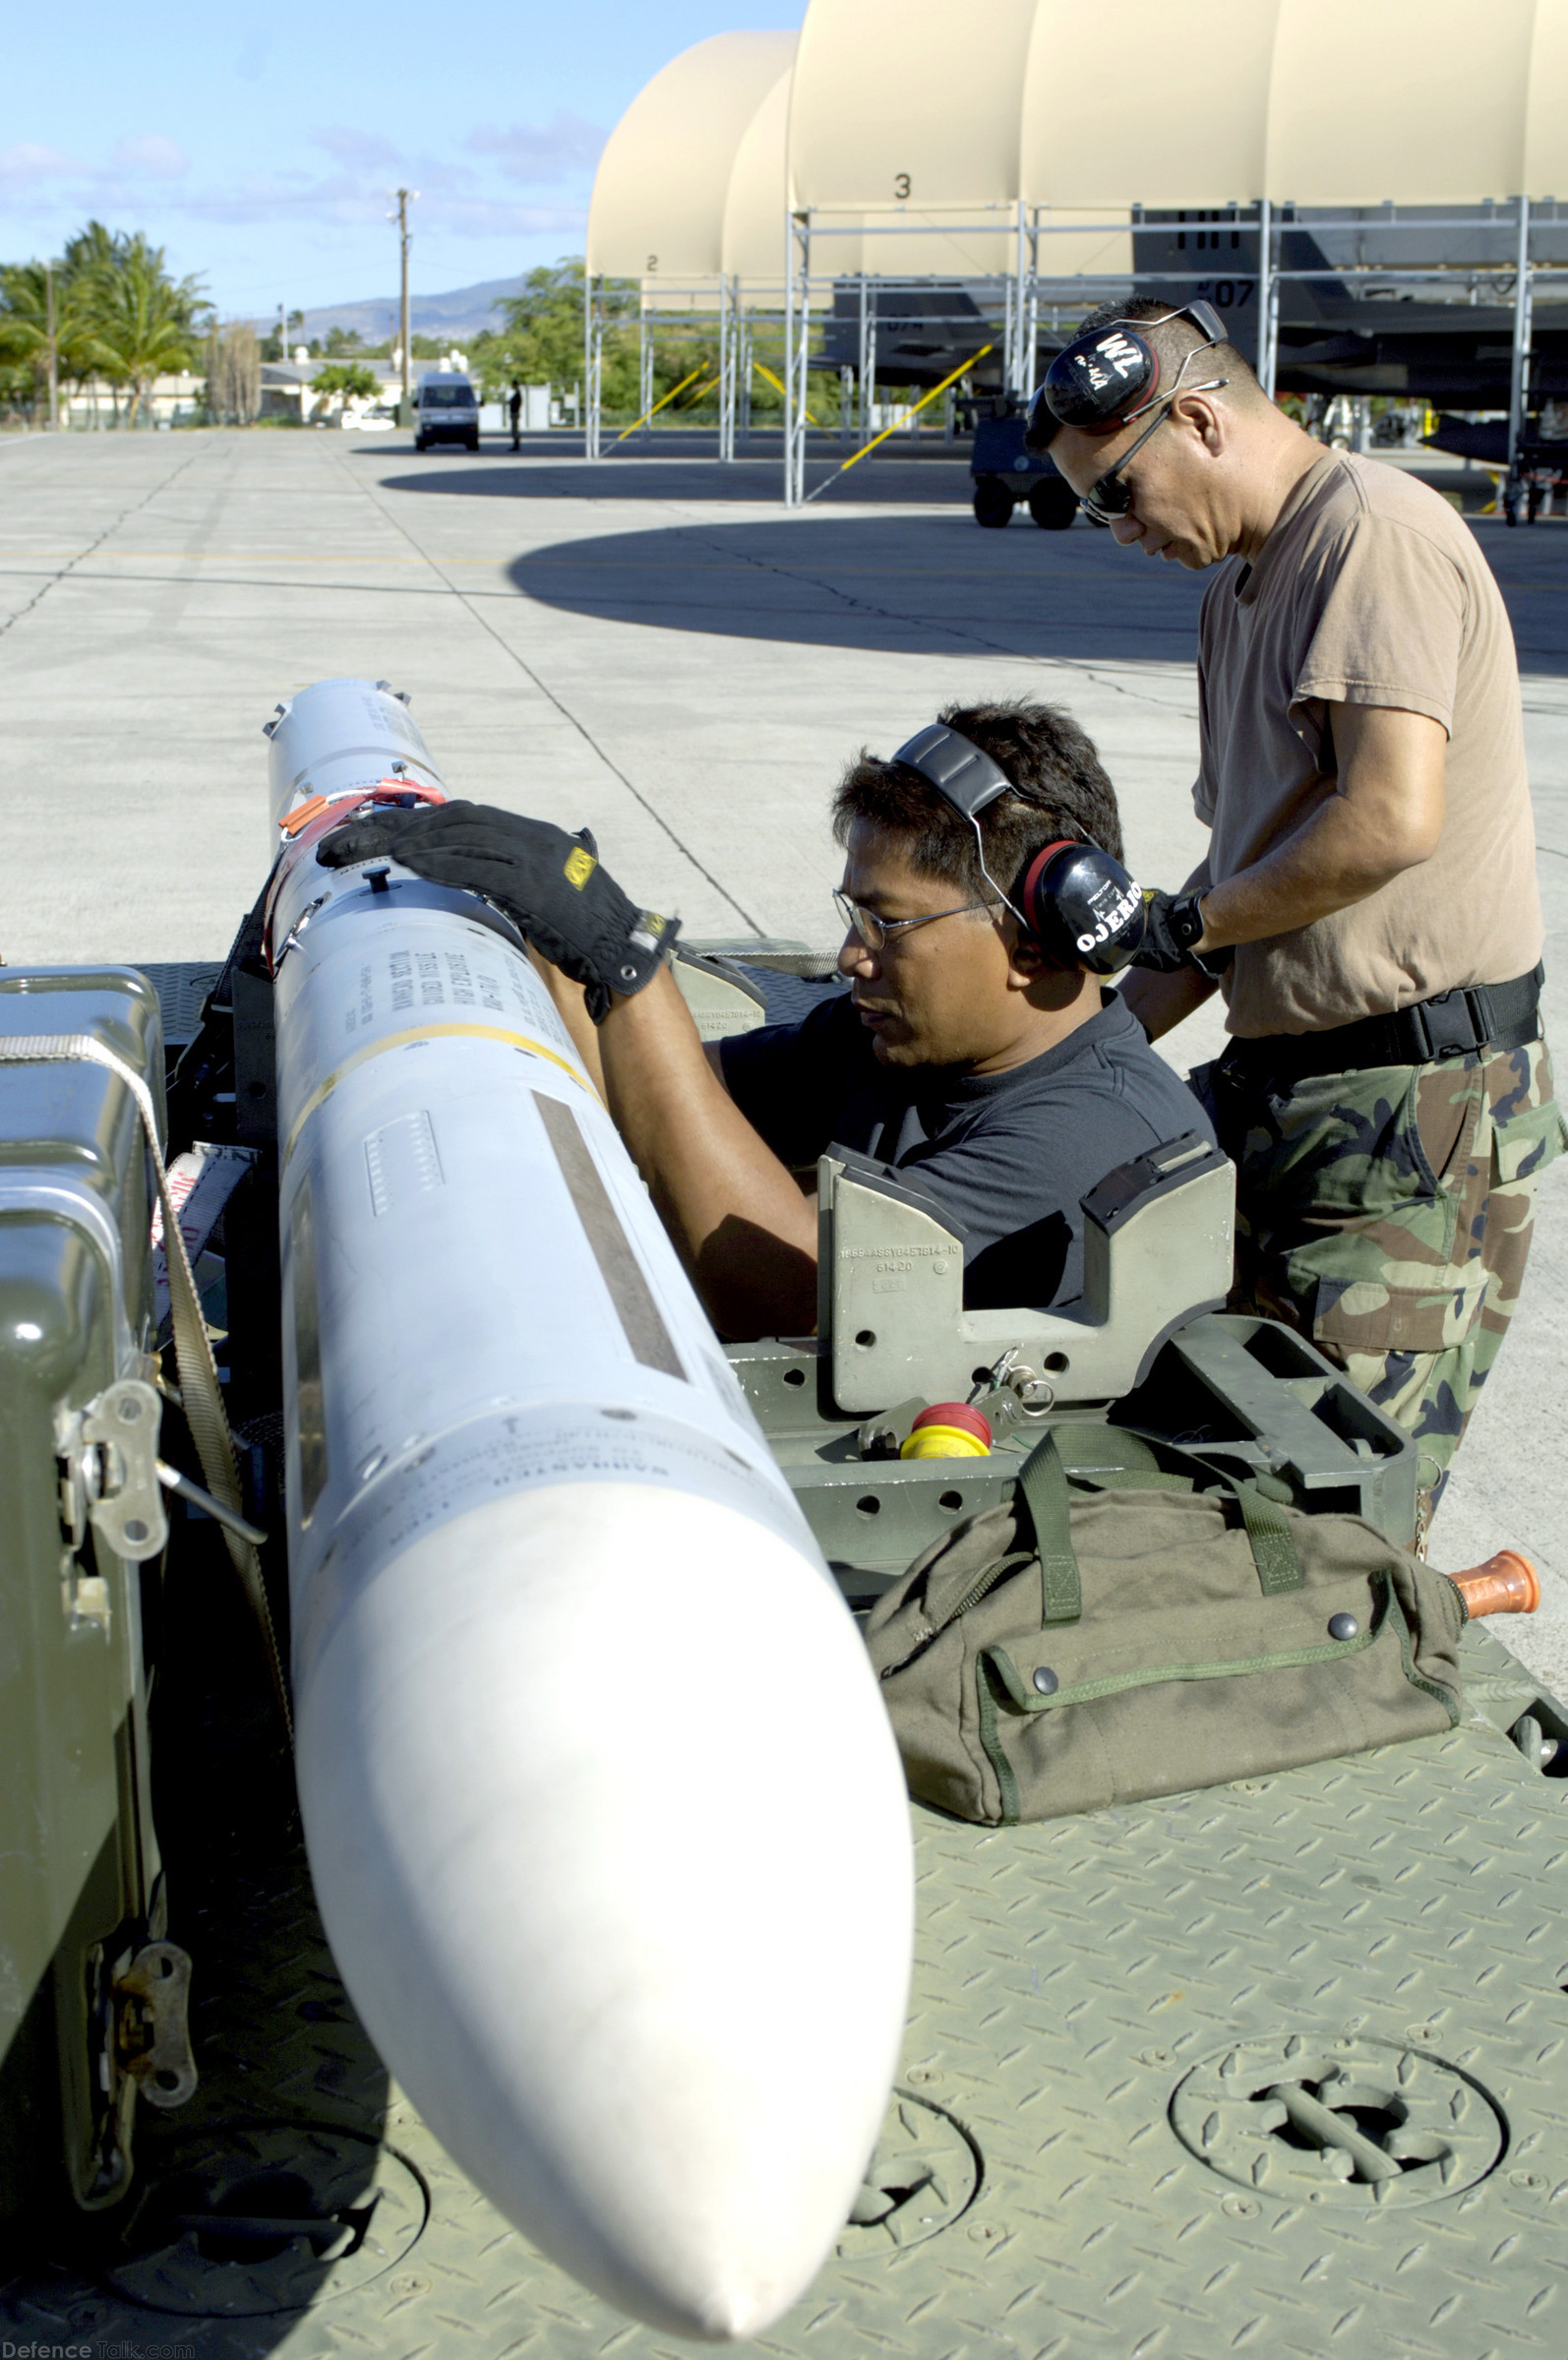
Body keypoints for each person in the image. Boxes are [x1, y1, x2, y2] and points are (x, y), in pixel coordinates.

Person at [1029, 297, 1565, 1518]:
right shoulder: (1238, 592)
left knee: (1330, 1501)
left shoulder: (1369, 535)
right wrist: (1072, 1053)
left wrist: (1188, 927)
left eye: (1116, 492)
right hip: (1290, 1090)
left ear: (1202, 420)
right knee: (1189, 1435)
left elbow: (1384, 822)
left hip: (1406, 1115)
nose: (1115, 531)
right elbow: (1243, 873)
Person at [319, 699, 1211, 1341]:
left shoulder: (1092, 1134)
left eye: (887, 922)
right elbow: (651, 1103)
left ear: (1036, 939)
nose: (851, 955)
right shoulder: (890, 1043)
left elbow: (793, 1297)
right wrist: (557, 944)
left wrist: (630, 964)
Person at [508, 380, 522, 451]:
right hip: (514, 413)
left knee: (515, 429)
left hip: (515, 413)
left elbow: (516, 404)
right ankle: (516, 444)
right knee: (514, 429)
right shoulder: (517, 394)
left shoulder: (517, 394)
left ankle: (516, 445)